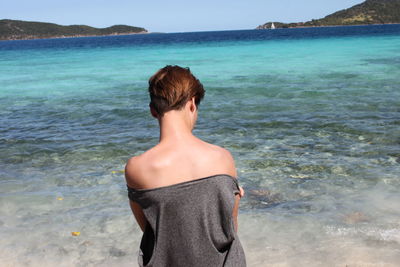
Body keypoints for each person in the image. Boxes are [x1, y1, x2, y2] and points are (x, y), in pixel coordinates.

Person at [125, 65, 246, 267]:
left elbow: (152, 231)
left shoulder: (137, 168)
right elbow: (230, 227)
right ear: (192, 104)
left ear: (153, 111)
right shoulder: (222, 158)